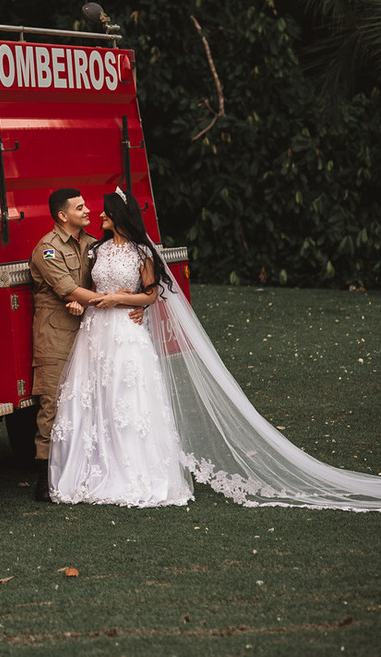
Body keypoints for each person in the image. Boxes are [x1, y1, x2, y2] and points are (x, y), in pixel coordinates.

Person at [49, 187, 381, 511]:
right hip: (95, 334)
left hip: (125, 331)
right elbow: (92, 288)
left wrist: (122, 298)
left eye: (105, 209)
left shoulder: (142, 253)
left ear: (118, 214)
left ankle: (131, 473)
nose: (100, 214)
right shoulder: (98, 250)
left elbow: (150, 295)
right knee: (96, 398)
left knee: (127, 399)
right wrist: (84, 305)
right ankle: (94, 470)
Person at [28, 188, 140, 502]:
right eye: (79, 207)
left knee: (92, 402)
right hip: (56, 337)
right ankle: (44, 480)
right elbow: (68, 289)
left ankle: (86, 470)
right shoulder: (47, 250)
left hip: (92, 334)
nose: (88, 210)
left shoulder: (93, 244)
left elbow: (96, 284)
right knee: (53, 405)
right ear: (63, 216)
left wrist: (136, 301)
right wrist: (120, 302)